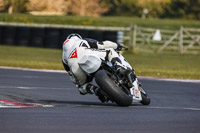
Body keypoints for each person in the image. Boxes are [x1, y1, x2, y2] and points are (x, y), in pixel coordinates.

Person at [62, 33, 131, 102]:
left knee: (82, 87)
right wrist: (117, 46)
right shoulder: (82, 41)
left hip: (73, 65)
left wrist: (78, 83)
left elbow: (70, 73)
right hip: (83, 52)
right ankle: (120, 68)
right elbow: (102, 44)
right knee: (110, 51)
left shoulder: (63, 56)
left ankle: (96, 90)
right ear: (78, 37)